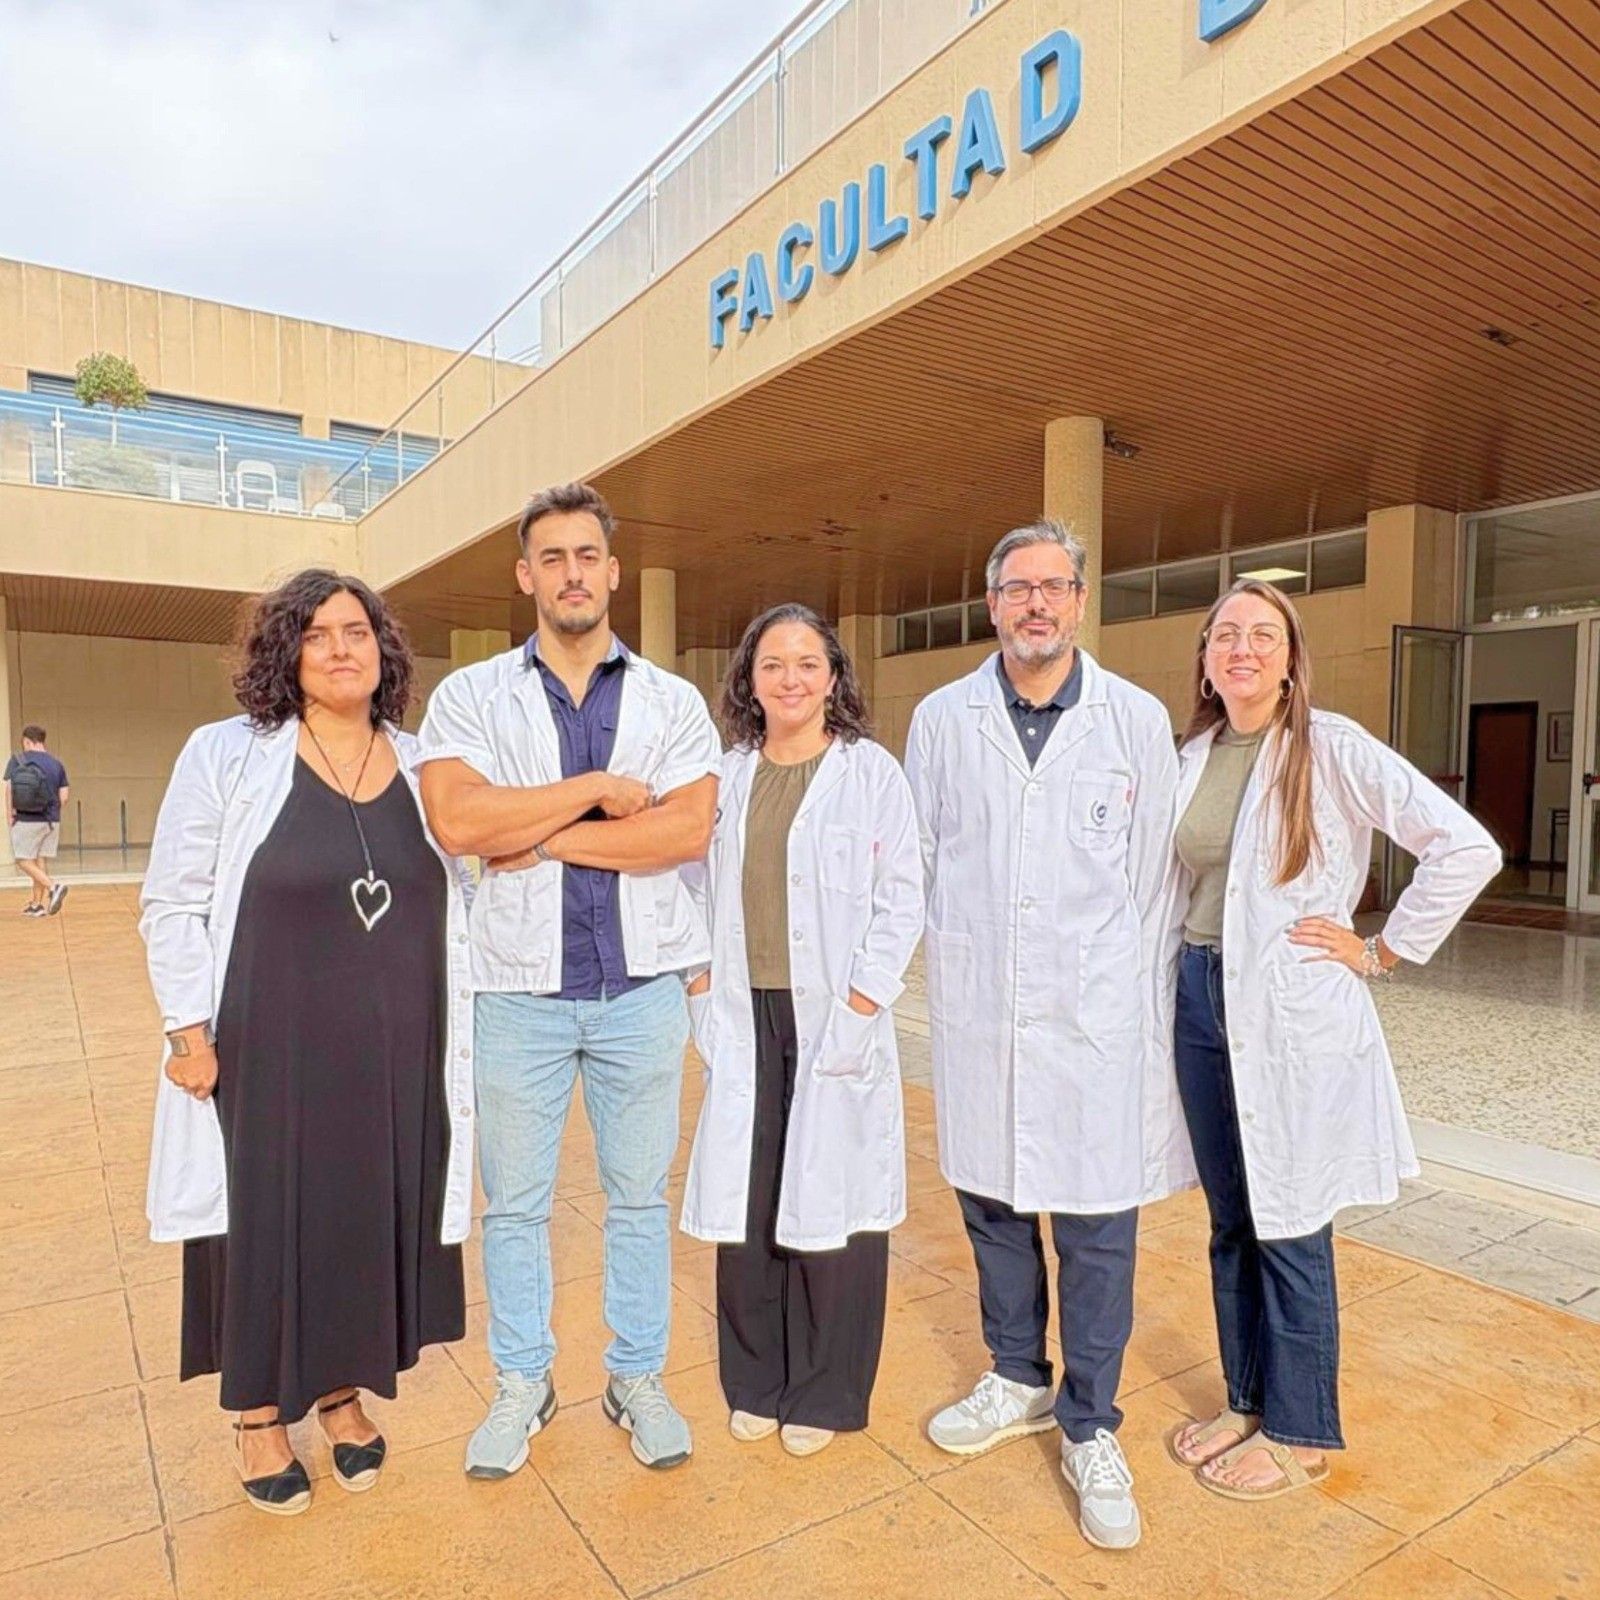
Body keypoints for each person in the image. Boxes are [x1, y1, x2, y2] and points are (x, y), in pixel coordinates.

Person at [140, 570, 473, 1517]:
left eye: (357, 632)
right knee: (262, 1220)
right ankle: (256, 1412)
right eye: (317, 633)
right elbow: (171, 898)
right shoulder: (227, 756)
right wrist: (187, 1030)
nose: (340, 648)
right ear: (285, 652)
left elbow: (476, 868)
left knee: (358, 1219)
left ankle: (336, 1391)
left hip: (393, 1053)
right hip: (265, 1046)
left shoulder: (419, 760)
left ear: (383, 650)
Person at [1161, 579, 1499, 1501]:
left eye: (1261, 635)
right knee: (1232, 1219)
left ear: (1289, 654)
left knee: (1291, 1218)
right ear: (1204, 656)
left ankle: (1303, 1431)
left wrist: (1383, 949)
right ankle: (1245, 1401)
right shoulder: (1190, 755)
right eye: (1225, 634)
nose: (1242, 650)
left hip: (1290, 1011)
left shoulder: (1331, 746)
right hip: (1198, 998)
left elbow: (1464, 846)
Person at [416, 480, 720, 1476]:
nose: (571, 573)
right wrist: (595, 796)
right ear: (525, 576)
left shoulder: (671, 702)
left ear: (613, 571)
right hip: (517, 996)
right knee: (515, 1205)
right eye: (551, 558)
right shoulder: (469, 696)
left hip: (639, 991)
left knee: (638, 1199)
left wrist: (539, 835)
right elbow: (459, 822)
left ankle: (637, 1378)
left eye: (586, 555)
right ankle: (523, 1381)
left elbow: (684, 830)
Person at [905, 518, 1187, 1552]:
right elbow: (921, 864)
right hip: (984, 1012)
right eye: (1017, 588)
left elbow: (1157, 881)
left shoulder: (1135, 720)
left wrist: (1138, 1019)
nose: (1036, 604)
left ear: (1078, 601)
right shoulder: (942, 719)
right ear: (992, 605)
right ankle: (1017, 1374)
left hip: (1096, 1019)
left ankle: (1090, 1420)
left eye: (1054, 587)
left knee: (1096, 1227)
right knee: (991, 1206)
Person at [679, 604, 923, 1456]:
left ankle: (825, 1389)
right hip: (746, 1010)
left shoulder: (870, 773)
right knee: (751, 1201)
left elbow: (903, 896)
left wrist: (861, 1005)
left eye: (807, 663)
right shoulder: (727, 773)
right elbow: (687, 880)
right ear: (749, 678)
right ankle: (755, 1379)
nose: (790, 679)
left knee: (836, 1204)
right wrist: (703, 984)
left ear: (833, 677)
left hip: (834, 1016)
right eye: (773, 664)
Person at [5, 724, 70, 917]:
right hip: (51, 821)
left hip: (26, 819)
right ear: (42, 741)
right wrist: (52, 812)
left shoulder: (17, 760)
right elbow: (64, 796)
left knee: (23, 860)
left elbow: (9, 789)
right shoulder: (56, 764)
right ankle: (36, 905)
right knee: (39, 859)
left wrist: (9, 814)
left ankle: (53, 887)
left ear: (27, 741)